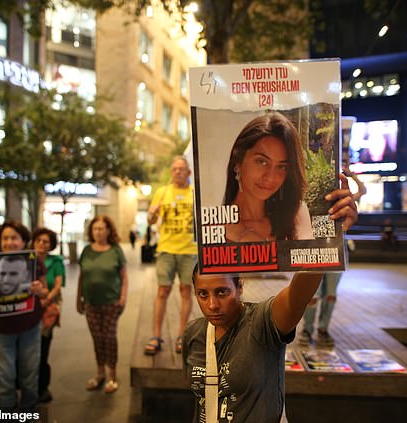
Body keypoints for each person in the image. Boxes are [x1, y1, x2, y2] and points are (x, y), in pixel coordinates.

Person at [182, 175, 357, 422]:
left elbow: (298, 295)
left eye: (222, 292)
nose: (212, 305)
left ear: (239, 287)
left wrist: (329, 233)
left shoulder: (262, 323)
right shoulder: (194, 333)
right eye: (203, 294)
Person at [0, 221, 48, 411]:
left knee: (30, 374)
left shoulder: (35, 262)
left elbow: (45, 293)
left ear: (24, 241)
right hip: (0, 331)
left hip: (30, 327)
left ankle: (28, 410)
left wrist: (40, 291)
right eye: (5, 238)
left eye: (14, 238)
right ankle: (7, 411)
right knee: (4, 377)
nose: (9, 242)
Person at [300, 168, 366, 347]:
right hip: (311, 249)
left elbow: (362, 191)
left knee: (330, 294)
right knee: (312, 294)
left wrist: (351, 175)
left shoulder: (340, 196)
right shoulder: (309, 196)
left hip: (335, 249)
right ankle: (307, 329)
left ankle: (323, 329)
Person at [223, 112, 313, 242]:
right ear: (238, 161)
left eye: (282, 167)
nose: (270, 178)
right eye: (262, 162)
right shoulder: (215, 227)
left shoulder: (296, 214)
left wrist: (340, 226)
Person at [145, 156, 198, 355]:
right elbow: (151, 221)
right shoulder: (162, 192)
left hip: (189, 250)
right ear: (171, 172)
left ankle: (181, 336)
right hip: (166, 248)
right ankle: (156, 335)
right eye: (174, 169)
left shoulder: (195, 193)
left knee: (186, 292)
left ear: (189, 172)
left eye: (181, 169)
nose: (177, 172)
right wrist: (152, 213)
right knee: (162, 291)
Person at [76, 216, 128, 394]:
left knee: (109, 338)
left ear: (108, 230)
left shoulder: (115, 251)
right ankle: (100, 373)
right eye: (95, 229)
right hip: (91, 303)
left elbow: (124, 277)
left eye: (101, 229)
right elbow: (82, 276)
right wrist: (78, 299)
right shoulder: (86, 251)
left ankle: (112, 375)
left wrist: (123, 298)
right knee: (97, 338)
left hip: (111, 302)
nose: (97, 232)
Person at [31, 227, 65, 403]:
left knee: (43, 347)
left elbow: (58, 285)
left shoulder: (56, 261)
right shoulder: (27, 260)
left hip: (48, 307)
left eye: (46, 242)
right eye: (38, 241)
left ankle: (42, 387)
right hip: (28, 309)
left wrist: (46, 300)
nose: (41, 244)